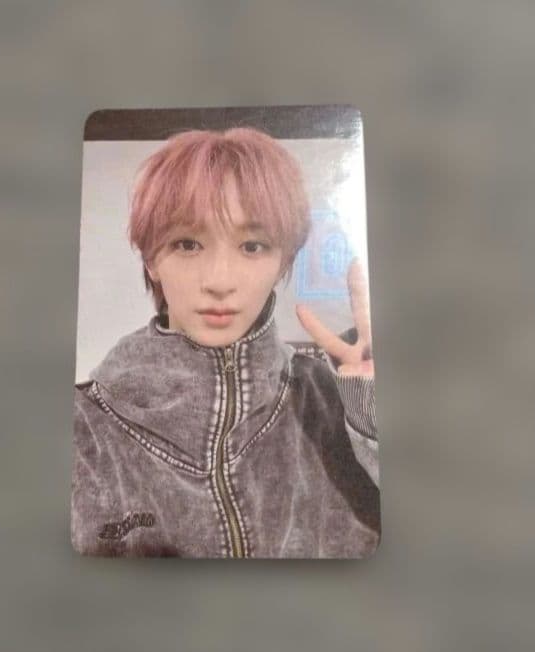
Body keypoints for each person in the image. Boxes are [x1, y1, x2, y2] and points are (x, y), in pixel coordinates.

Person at [71, 127, 379, 558]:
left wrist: (373, 416)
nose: (219, 281)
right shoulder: (83, 430)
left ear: (283, 262)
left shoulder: (336, 403)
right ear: (151, 259)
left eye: (252, 246)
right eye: (187, 244)